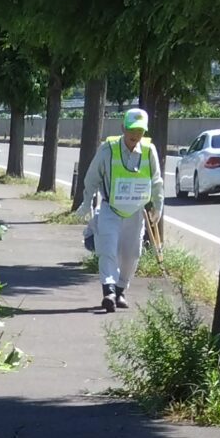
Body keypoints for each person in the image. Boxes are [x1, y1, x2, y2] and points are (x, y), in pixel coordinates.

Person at [82, 106, 163, 314]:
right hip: (110, 208)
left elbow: (156, 180)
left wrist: (158, 205)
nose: (136, 135)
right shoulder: (108, 149)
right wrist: (86, 202)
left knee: (131, 254)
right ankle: (108, 291)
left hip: (135, 211)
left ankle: (120, 290)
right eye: (132, 130)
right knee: (107, 249)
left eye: (140, 131)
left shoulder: (148, 150)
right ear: (123, 128)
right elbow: (92, 178)